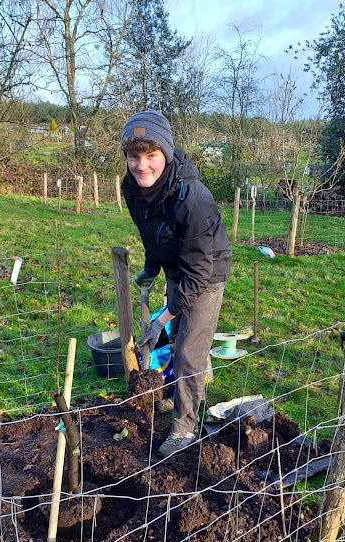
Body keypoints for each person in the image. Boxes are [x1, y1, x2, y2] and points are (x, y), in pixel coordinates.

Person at [121, 110, 232, 457]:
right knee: (181, 337)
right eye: (134, 157)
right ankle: (180, 397)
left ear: (166, 155)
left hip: (206, 273)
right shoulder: (132, 188)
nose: (142, 166)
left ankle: (185, 428)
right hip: (175, 268)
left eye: (151, 156)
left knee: (188, 351)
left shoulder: (192, 198)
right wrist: (151, 267)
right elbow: (151, 234)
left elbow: (198, 272)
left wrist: (161, 319)